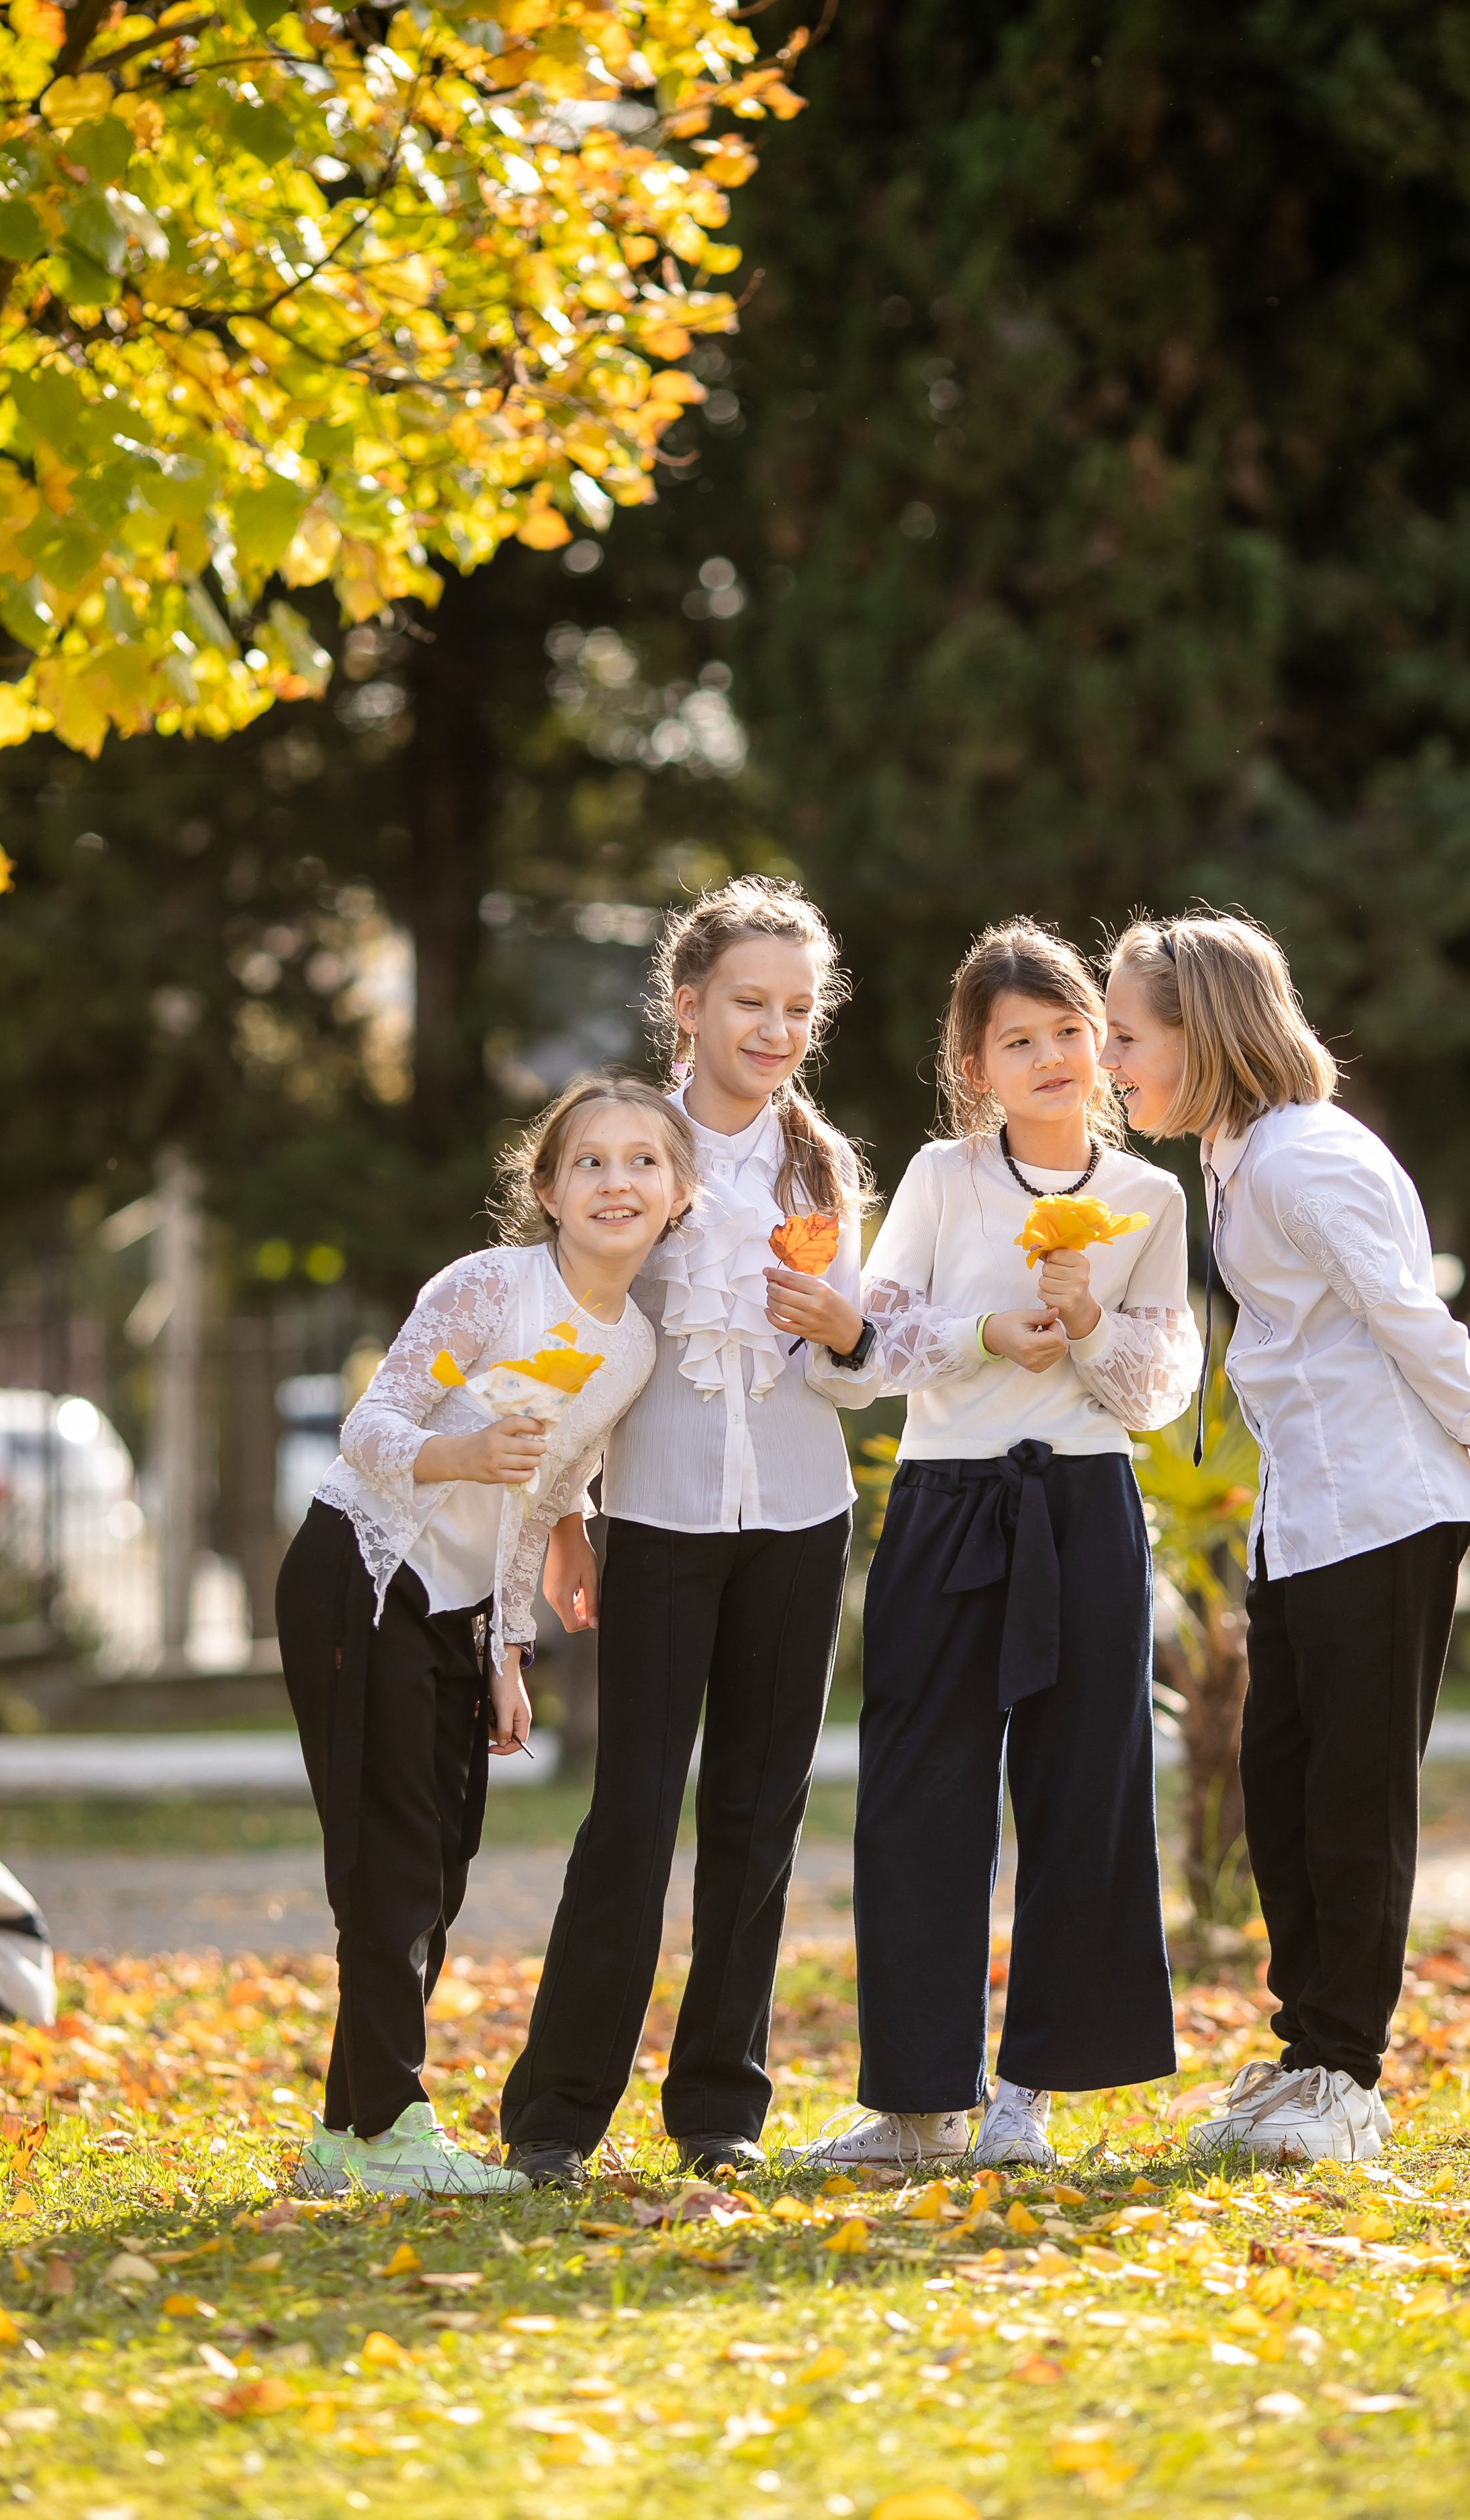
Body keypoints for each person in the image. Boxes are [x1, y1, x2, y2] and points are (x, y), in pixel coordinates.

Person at [1101, 912, 1470, 2163]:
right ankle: (1306, 2051)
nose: (1110, 1060)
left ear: (1202, 1033)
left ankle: (1347, 2078)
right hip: (1307, 1522)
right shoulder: (1238, 1154)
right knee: (1286, 1789)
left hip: (1383, 1509)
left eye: (1127, 1035)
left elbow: (1408, 1316)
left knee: (1355, 1801)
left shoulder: (1307, 1159)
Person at [788, 919, 1201, 2173]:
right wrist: (988, 1333)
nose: (1052, 1056)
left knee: (1086, 1792)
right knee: (920, 1794)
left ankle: (1029, 2097)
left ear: (1099, 1037)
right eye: (1017, 1041)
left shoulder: (1147, 1197)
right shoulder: (941, 1178)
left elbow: (1162, 1388)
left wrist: (1086, 1327)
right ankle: (917, 2103)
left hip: (1085, 1510)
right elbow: (873, 1348)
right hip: (948, 1504)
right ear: (978, 1067)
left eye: (1070, 1030)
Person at [500, 876, 887, 2190]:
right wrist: (560, 1512)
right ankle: (555, 2114)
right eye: (748, 1002)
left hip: (799, 1514)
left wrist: (843, 1335)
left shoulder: (822, 1165)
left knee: (758, 1815)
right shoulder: (628, 1142)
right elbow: (567, 1337)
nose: (774, 1027)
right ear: (689, 1004)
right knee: (629, 1816)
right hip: (656, 1516)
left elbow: (850, 1371)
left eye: (796, 1007)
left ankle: (719, 2105)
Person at [278, 1075, 695, 2196]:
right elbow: (372, 1426)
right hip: (361, 1573)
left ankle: (344, 2135)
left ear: (678, 1193)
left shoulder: (633, 1350)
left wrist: (508, 1648)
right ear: (550, 1190)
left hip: (460, 1617)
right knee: (391, 1861)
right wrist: (462, 1453)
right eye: (592, 1162)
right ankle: (396, 2126)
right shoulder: (489, 1287)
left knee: (444, 1864)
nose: (619, 1181)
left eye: (644, 1161)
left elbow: (545, 1492)